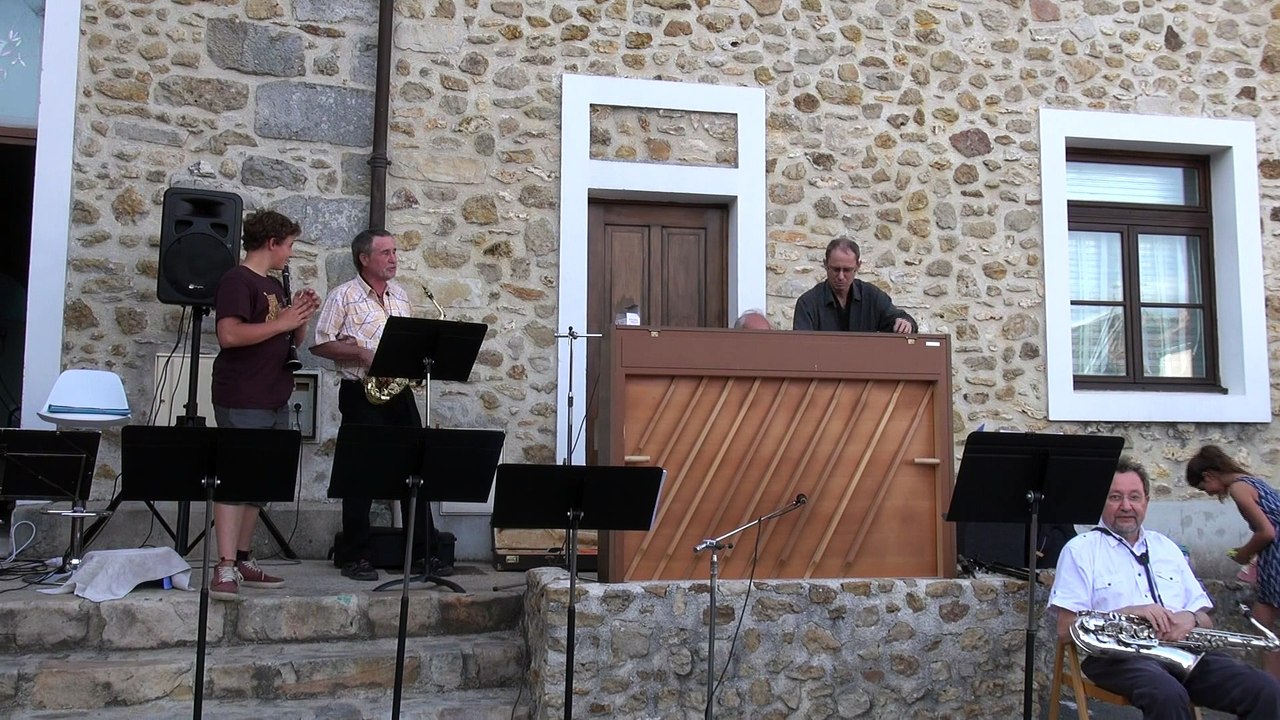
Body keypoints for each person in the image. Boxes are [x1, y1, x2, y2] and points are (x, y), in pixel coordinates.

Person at [1049, 457, 1280, 719]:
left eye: (1134, 497)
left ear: (1146, 501)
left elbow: (1206, 619)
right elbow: (1065, 629)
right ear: (1101, 502)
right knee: (1167, 695)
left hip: (1184, 652)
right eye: (1115, 497)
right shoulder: (1080, 550)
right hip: (1118, 658)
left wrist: (1190, 618)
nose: (1126, 506)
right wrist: (1131, 611)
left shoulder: (1167, 548)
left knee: (1264, 689)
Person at [311, 228, 441, 582]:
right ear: (364, 258)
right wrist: (358, 352)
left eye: (395, 252)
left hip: (398, 393)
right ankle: (356, 556)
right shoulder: (343, 296)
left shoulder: (400, 297)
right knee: (360, 474)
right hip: (360, 391)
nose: (393, 258)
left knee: (416, 470)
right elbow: (320, 345)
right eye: (385, 253)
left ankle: (423, 553)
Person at [210, 210, 318, 601]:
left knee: (258, 483)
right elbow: (229, 334)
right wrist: (284, 321)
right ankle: (222, 566)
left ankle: (242, 559)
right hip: (243, 393)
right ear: (272, 242)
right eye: (288, 245)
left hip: (275, 393)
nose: (290, 253)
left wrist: (301, 315)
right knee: (236, 480)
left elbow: (293, 339)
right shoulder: (237, 280)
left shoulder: (274, 284)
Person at [1186, 445, 1280, 680]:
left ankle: (1271, 686)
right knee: (1263, 619)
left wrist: (1243, 554)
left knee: (1265, 627)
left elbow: (1266, 532)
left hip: (1277, 555)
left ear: (1209, 475)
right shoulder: (1253, 481)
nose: (1207, 492)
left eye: (1203, 487)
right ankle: (1270, 686)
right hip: (1273, 555)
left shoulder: (1239, 488)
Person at [791, 237, 916, 333]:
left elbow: (901, 319)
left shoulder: (872, 296)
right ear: (825, 264)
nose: (841, 276)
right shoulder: (808, 303)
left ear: (858, 266)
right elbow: (801, 347)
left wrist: (906, 324)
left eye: (847, 270)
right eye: (835, 269)